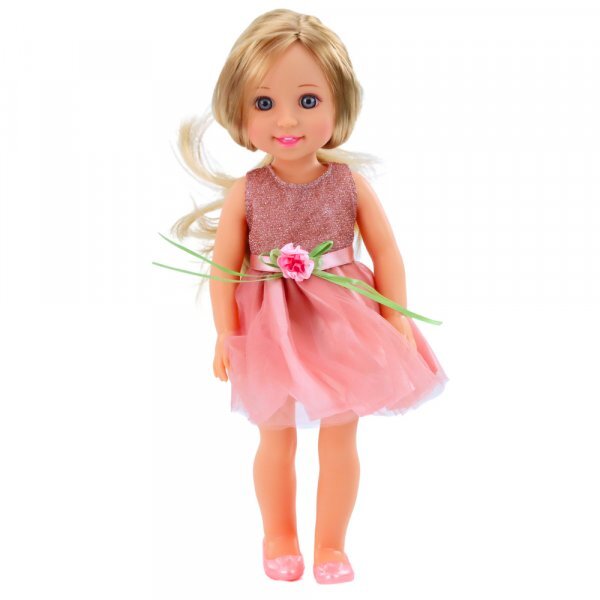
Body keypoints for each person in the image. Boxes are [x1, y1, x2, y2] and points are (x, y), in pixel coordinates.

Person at [156, 8, 449, 584]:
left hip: (342, 324)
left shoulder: (348, 184)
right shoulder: (248, 191)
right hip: (270, 327)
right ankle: (280, 536)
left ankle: (331, 545)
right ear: (239, 111)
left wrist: (394, 316)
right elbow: (224, 266)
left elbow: (387, 252)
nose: (287, 119)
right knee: (275, 437)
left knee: (340, 436)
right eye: (264, 103)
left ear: (339, 107)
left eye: (308, 101)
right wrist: (225, 332)